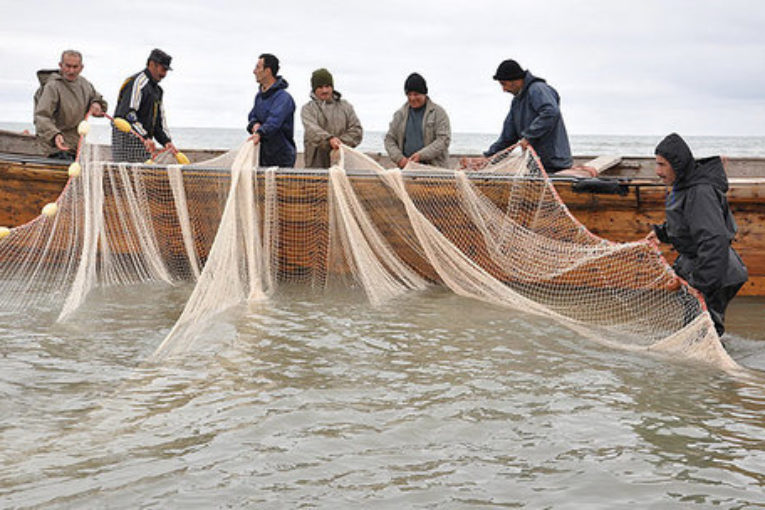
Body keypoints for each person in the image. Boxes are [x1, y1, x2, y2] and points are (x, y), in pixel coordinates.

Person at [650, 133, 748, 337]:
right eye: (656, 164)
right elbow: (686, 224)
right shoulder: (683, 185)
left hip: (716, 273)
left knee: (702, 334)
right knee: (696, 331)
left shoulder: (700, 192)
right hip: (705, 268)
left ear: (677, 165)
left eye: (662, 165)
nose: (657, 171)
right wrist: (661, 233)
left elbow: (714, 240)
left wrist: (698, 284)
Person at [483, 59, 572, 173]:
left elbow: (550, 112)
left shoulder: (538, 89)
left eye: (504, 84)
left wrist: (529, 136)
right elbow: (508, 137)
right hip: (535, 164)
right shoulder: (516, 102)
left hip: (555, 163)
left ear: (515, 80)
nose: (504, 90)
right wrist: (488, 158)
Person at [34, 50, 107, 160]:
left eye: (75, 67)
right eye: (67, 66)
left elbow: (99, 100)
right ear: (60, 65)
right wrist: (54, 135)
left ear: (81, 67)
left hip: (76, 147)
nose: (71, 71)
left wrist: (97, 104)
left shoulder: (85, 84)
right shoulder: (52, 86)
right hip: (54, 149)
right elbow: (41, 117)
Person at [112, 48, 177, 162]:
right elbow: (128, 114)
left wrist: (166, 142)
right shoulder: (137, 83)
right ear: (152, 64)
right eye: (163, 69)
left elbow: (158, 122)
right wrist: (145, 137)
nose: (164, 74)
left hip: (145, 146)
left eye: (167, 70)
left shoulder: (158, 91)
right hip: (126, 145)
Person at [384, 72, 451, 169]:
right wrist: (400, 159)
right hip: (407, 170)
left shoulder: (438, 113)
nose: (412, 98)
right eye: (409, 94)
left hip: (435, 170)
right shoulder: (399, 114)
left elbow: (443, 140)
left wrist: (421, 155)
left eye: (416, 94)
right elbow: (389, 139)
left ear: (424, 93)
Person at [300, 68, 363, 168]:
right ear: (314, 89)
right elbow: (312, 130)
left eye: (327, 86)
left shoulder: (346, 106)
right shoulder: (307, 109)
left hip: (342, 165)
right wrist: (329, 139)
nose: (325, 90)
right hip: (316, 166)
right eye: (320, 87)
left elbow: (357, 131)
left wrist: (339, 143)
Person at [247, 53, 296, 167]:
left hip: (282, 158)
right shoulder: (259, 96)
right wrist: (254, 124)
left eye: (258, 67)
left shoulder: (283, 98)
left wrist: (260, 133)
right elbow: (252, 115)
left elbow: (274, 121)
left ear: (268, 71)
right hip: (263, 156)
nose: (254, 71)